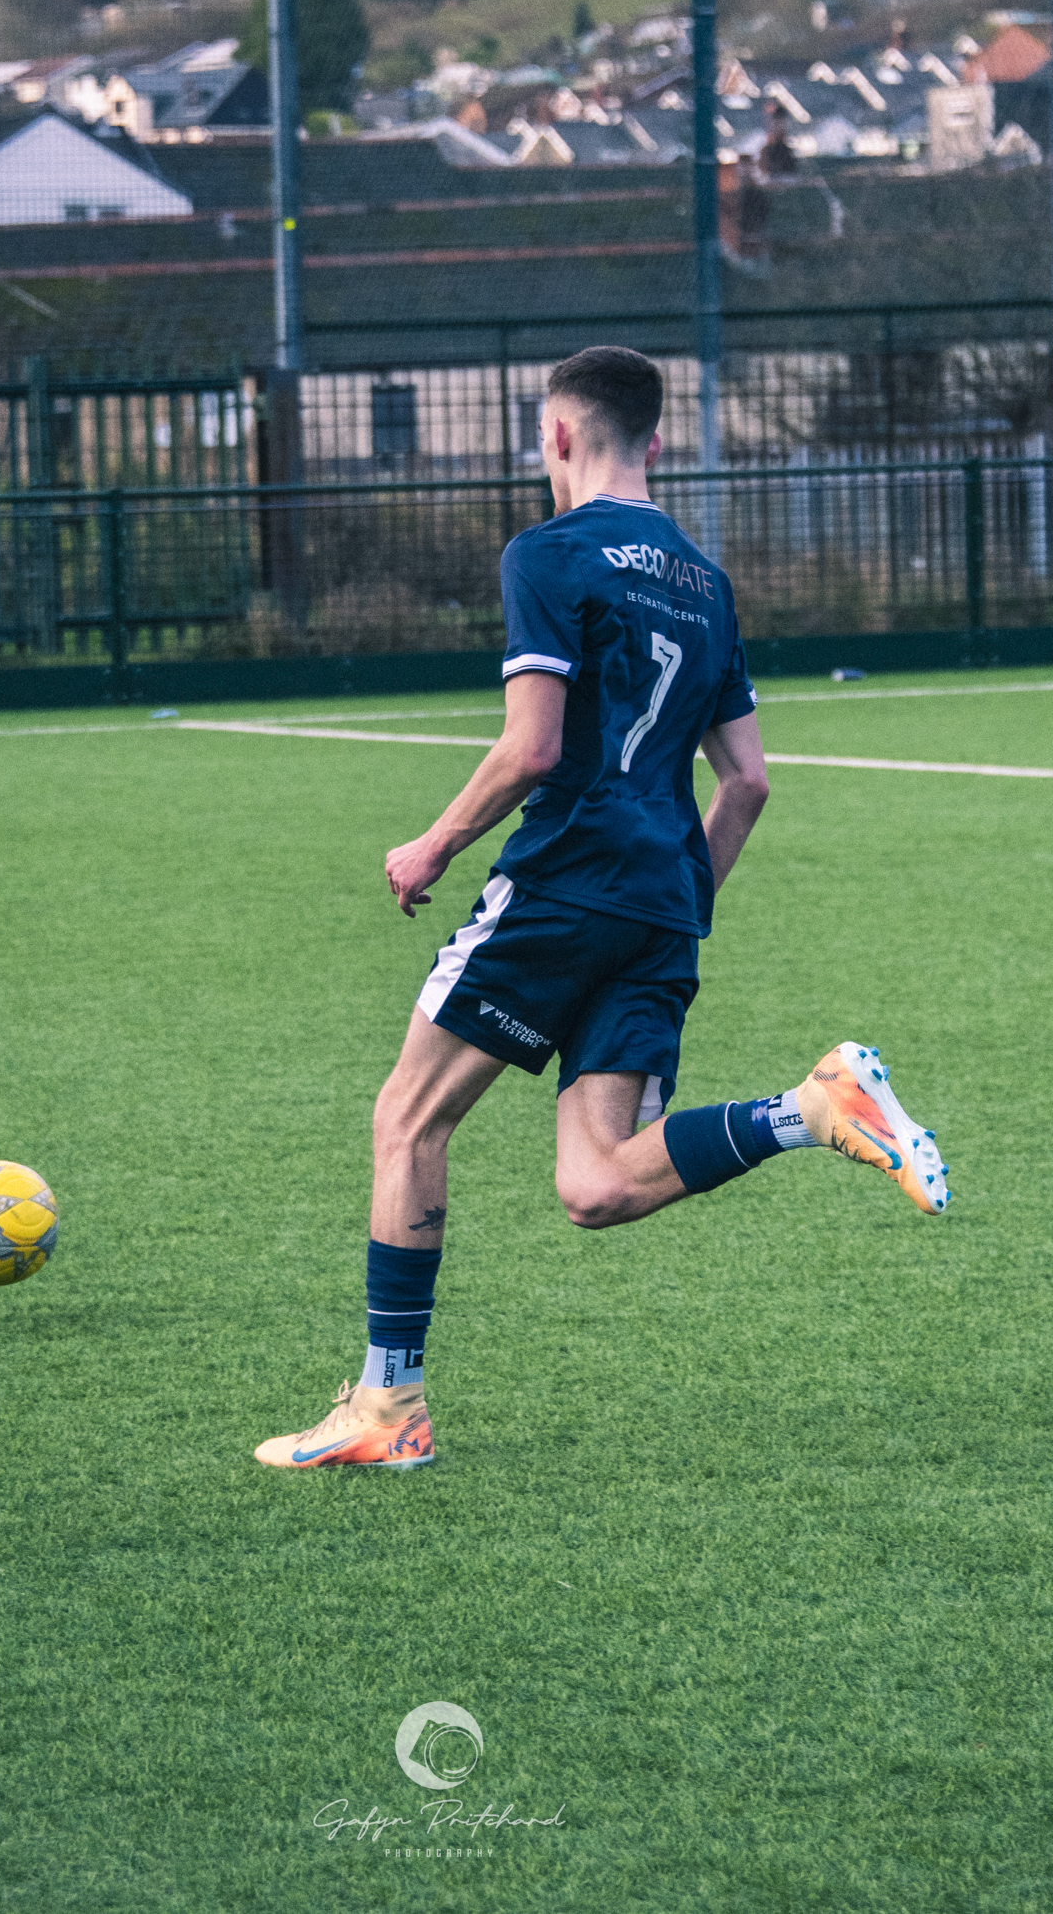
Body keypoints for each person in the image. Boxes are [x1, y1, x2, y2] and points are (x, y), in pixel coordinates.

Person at [255, 345, 949, 1472]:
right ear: (658, 443)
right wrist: (673, 905)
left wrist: (432, 841)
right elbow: (750, 782)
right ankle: (812, 1109)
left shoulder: (549, 554)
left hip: (567, 878)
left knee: (408, 1119)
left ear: (560, 438)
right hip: (663, 901)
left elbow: (532, 748)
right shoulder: (706, 583)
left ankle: (389, 1409)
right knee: (592, 1182)